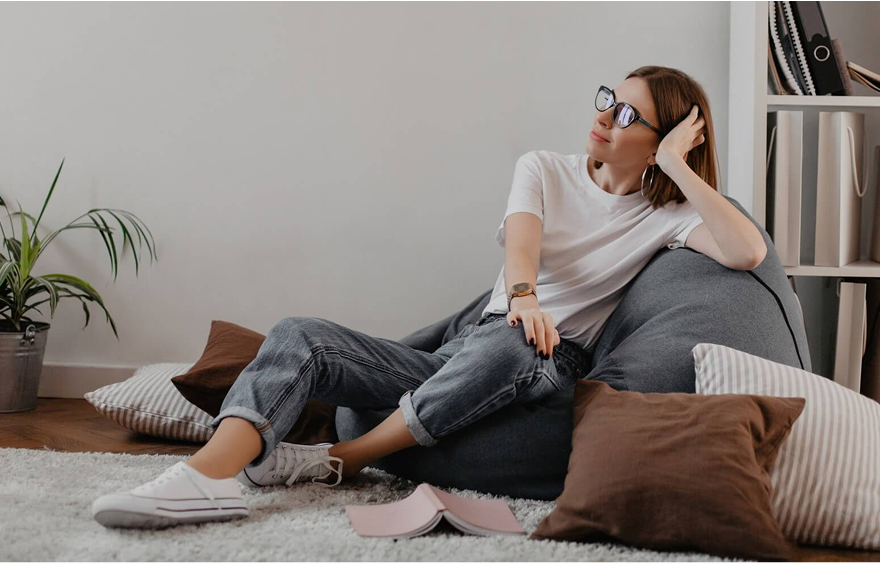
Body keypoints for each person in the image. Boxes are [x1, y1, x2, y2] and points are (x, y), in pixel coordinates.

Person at [91, 65, 767, 529]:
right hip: (485, 342)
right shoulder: (545, 168)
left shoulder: (668, 215)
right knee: (301, 333)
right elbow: (523, 243)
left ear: (659, 142)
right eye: (606, 97)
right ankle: (204, 477)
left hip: (552, 363)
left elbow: (748, 252)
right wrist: (524, 293)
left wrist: (679, 167)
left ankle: (337, 462)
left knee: (510, 339)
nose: (603, 117)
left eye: (627, 114)